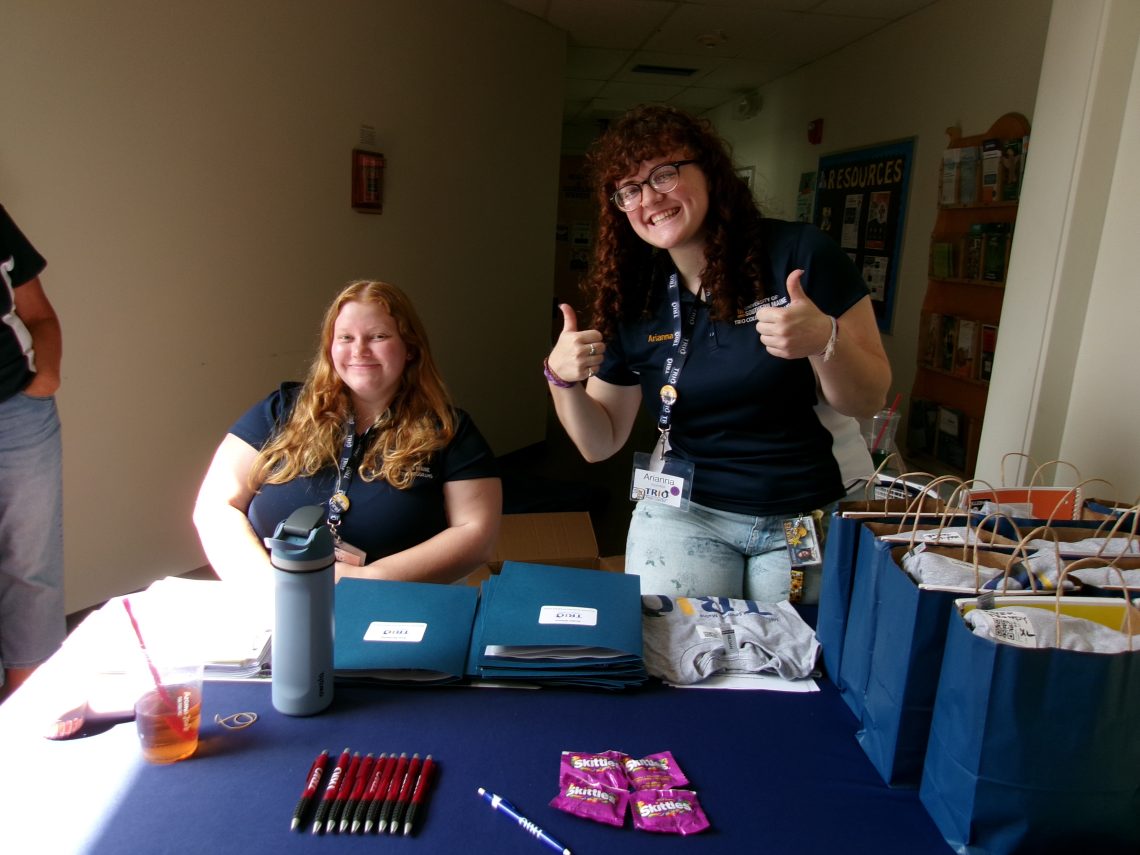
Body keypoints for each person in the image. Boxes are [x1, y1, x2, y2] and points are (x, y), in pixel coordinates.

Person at [544, 105, 890, 603]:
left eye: (664, 174)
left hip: (807, 508)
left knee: (796, 663)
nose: (650, 199)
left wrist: (824, 340)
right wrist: (561, 380)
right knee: (677, 655)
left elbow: (869, 397)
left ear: (709, 171)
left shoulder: (798, 254)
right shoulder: (634, 293)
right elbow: (600, 442)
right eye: (630, 190)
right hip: (684, 510)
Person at [194, 280, 501, 587]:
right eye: (345, 338)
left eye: (378, 336)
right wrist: (267, 586)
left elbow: (475, 532)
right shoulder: (281, 410)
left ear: (410, 348)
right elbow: (216, 505)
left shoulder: (448, 430)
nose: (359, 350)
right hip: (268, 601)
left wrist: (366, 579)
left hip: (388, 603)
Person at [0, 203, 64, 701]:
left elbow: (38, 312)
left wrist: (46, 376)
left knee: (31, 562)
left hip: (18, 413)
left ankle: (30, 701)